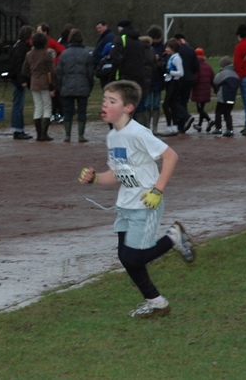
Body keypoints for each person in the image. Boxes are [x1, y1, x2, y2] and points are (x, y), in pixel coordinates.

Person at [77, 80, 194, 318]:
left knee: (135, 256)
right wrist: (96, 179)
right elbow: (117, 174)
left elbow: (171, 157)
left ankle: (174, 237)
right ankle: (156, 302)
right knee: (126, 257)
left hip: (146, 203)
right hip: (125, 204)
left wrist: (157, 190)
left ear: (128, 108)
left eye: (112, 101)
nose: (105, 105)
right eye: (104, 101)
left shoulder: (139, 132)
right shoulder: (112, 137)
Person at [56, 29, 94, 143]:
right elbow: (90, 74)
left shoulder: (64, 54)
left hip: (67, 86)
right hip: (83, 86)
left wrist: (60, 86)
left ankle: (67, 135)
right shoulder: (86, 54)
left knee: (68, 111)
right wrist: (89, 87)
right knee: (82, 111)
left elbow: (59, 73)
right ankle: (81, 136)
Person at [22, 32, 56, 141]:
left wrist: (32, 76)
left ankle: (38, 134)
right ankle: (44, 134)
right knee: (47, 107)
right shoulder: (47, 54)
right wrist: (54, 84)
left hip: (34, 82)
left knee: (38, 107)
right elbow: (52, 71)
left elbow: (24, 70)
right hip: (45, 82)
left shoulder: (29, 54)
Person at [9, 25, 35, 140]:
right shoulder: (22, 47)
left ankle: (19, 129)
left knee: (18, 106)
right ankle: (18, 130)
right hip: (19, 81)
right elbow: (19, 65)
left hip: (17, 80)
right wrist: (22, 81)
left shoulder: (18, 45)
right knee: (18, 106)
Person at [37, 23, 65, 123]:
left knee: (55, 93)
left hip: (51, 72)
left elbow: (62, 50)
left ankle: (60, 113)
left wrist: (55, 62)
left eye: (39, 32)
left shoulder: (51, 42)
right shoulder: (39, 44)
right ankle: (52, 113)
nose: (37, 34)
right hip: (44, 72)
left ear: (45, 32)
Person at [172, 33, 199, 133]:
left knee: (174, 101)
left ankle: (187, 117)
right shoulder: (191, 49)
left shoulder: (176, 50)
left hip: (178, 79)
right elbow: (196, 66)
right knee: (183, 101)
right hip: (189, 79)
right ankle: (181, 127)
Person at [211, 56, 240, 137]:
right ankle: (229, 129)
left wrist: (220, 71)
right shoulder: (235, 73)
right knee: (227, 113)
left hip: (223, 97)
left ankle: (218, 128)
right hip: (232, 98)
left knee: (218, 112)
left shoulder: (223, 73)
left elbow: (215, 81)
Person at [146, 25, 166, 134]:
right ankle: (148, 127)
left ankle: (155, 127)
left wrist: (159, 62)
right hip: (149, 79)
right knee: (148, 104)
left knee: (157, 104)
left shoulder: (163, 47)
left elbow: (165, 62)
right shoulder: (146, 47)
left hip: (158, 78)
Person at [161, 38, 184, 136]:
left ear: (173, 48)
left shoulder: (177, 58)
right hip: (169, 82)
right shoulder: (171, 57)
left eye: (168, 47)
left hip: (174, 83)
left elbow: (181, 73)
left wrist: (169, 72)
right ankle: (174, 127)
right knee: (172, 105)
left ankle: (169, 127)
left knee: (165, 104)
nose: (166, 49)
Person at [191, 48, 216, 132]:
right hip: (206, 91)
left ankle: (209, 120)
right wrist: (216, 89)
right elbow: (213, 79)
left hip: (198, 91)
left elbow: (195, 79)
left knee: (200, 110)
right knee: (201, 108)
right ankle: (199, 124)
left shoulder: (196, 66)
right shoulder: (208, 66)